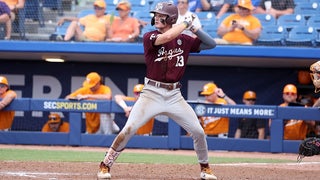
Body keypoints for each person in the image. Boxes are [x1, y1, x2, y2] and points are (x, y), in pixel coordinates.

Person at [97, 1, 217, 180]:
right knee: (129, 128)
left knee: (198, 131)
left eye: (162, 16)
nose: (157, 18)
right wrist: (185, 23)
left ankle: (205, 167)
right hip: (152, 93)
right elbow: (165, 38)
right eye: (157, 15)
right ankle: (105, 164)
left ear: (171, 19)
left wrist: (194, 29)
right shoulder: (149, 36)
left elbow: (211, 44)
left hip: (174, 95)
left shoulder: (183, 40)